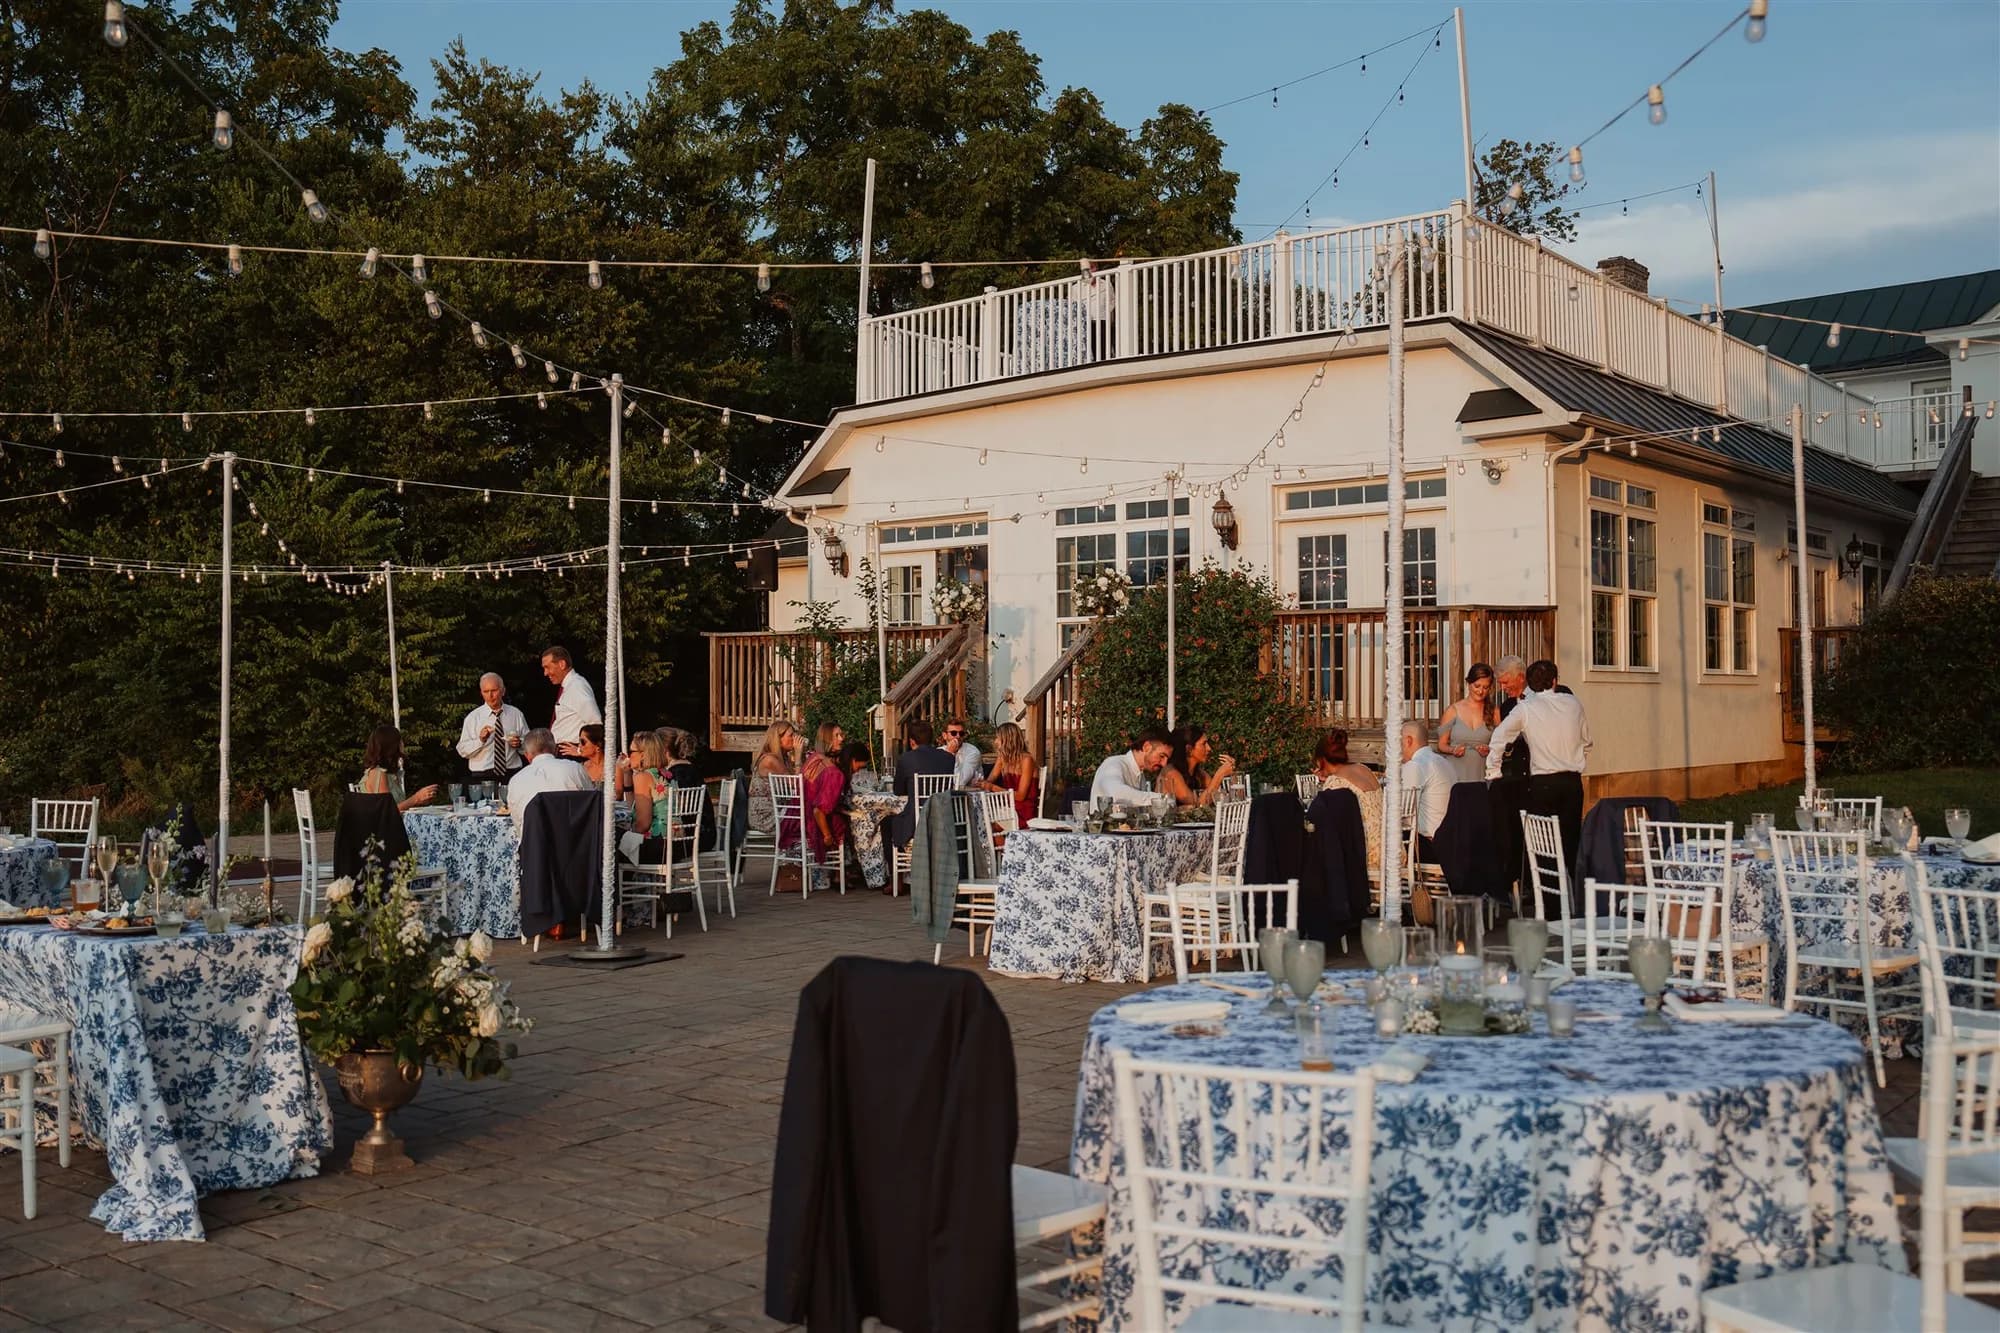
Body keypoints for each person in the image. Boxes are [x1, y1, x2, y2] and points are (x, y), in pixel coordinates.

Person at [1486, 658, 1591, 882]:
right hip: (1571, 782)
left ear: (1527, 680)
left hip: (1543, 784)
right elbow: (1587, 742)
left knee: (1546, 846)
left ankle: (1553, 905)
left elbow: (1498, 738)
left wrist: (1492, 771)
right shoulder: (1573, 703)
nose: (1503, 688)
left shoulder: (1526, 708)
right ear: (1554, 681)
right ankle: (1569, 900)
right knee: (1568, 840)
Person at [1312, 729, 1383, 875]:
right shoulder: (1364, 769)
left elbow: (1328, 821)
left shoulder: (1336, 782)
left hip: (1368, 852)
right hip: (1391, 848)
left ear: (1320, 761)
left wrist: (1326, 784)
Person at [505, 727, 593, 838]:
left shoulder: (515, 781)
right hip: (575, 845)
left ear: (527, 756)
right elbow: (591, 806)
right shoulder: (576, 769)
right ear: (556, 750)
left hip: (535, 849)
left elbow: (519, 826)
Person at [889, 719, 957, 849]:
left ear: (912, 741)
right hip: (944, 819)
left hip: (916, 822)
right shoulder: (949, 758)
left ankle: (899, 864)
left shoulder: (906, 758)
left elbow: (898, 790)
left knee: (887, 823)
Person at [801, 722, 849, 891]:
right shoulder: (833, 773)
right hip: (812, 823)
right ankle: (842, 873)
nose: (842, 739)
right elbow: (818, 810)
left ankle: (839, 874)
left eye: (841, 734)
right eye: (836, 736)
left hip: (795, 818)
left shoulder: (812, 759)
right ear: (827, 740)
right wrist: (827, 835)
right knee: (847, 820)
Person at [455, 673, 528, 780]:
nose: (490, 695)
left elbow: (530, 745)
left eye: (494, 690)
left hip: (512, 773)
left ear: (503, 691)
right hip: (482, 775)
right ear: (481, 693)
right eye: (486, 692)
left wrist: (519, 743)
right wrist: (480, 740)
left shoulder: (516, 714)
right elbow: (462, 750)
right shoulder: (473, 717)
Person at [1399, 719, 1456, 857]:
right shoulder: (1445, 762)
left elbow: (1401, 813)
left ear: (1408, 741)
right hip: (1451, 841)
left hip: (1427, 845)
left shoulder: (1416, 765)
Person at [1436, 663, 1498, 785]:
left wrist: (1490, 749)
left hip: (1483, 775)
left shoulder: (1494, 712)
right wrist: (1453, 750)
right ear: (1468, 684)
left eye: (1485, 687)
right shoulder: (1453, 710)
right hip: (1456, 774)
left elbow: (1502, 744)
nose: (1481, 691)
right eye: (1477, 686)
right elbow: (1441, 745)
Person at [359, 725, 439, 813]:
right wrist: (416, 798)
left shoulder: (389, 774)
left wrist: (419, 800)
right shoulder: (377, 773)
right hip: (382, 826)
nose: (403, 744)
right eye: (400, 741)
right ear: (392, 745)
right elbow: (387, 812)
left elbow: (397, 807)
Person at [541, 645, 603, 757]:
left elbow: (595, 723)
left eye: (547, 667)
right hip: (560, 752)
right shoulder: (569, 686)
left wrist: (580, 751)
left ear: (562, 664)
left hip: (569, 754)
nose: (545, 673)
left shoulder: (577, 686)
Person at [1155, 724, 1237, 808]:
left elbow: (1221, 797)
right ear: (1189, 749)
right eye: (1204, 744)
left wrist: (1232, 774)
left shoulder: (1199, 774)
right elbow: (1198, 806)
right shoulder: (1170, 773)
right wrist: (1219, 775)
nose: (1209, 748)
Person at [975, 722, 1040, 826]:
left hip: (1022, 811)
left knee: (986, 822)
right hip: (1007, 808)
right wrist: (979, 783)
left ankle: (997, 842)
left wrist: (992, 787)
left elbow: (1020, 796)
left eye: (998, 738)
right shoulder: (1002, 759)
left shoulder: (1027, 760)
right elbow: (990, 780)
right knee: (978, 816)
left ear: (1008, 740)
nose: (995, 742)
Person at [1090, 725, 1173, 804]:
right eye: (1161, 756)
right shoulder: (1112, 764)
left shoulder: (1141, 776)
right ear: (1146, 747)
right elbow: (1116, 794)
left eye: (1167, 759)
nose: (1164, 764)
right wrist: (1161, 799)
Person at [747, 721, 799, 839]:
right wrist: (798, 758)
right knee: (809, 816)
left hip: (778, 810)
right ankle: (799, 852)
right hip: (765, 816)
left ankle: (798, 851)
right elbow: (797, 785)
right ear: (778, 739)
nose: (794, 738)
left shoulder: (783, 759)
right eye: (791, 735)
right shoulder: (769, 760)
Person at [943, 719, 983, 788]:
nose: (958, 736)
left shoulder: (972, 752)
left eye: (961, 733)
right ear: (944, 735)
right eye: (953, 733)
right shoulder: (940, 751)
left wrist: (951, 754)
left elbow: (960, 782)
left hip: (969, 795)